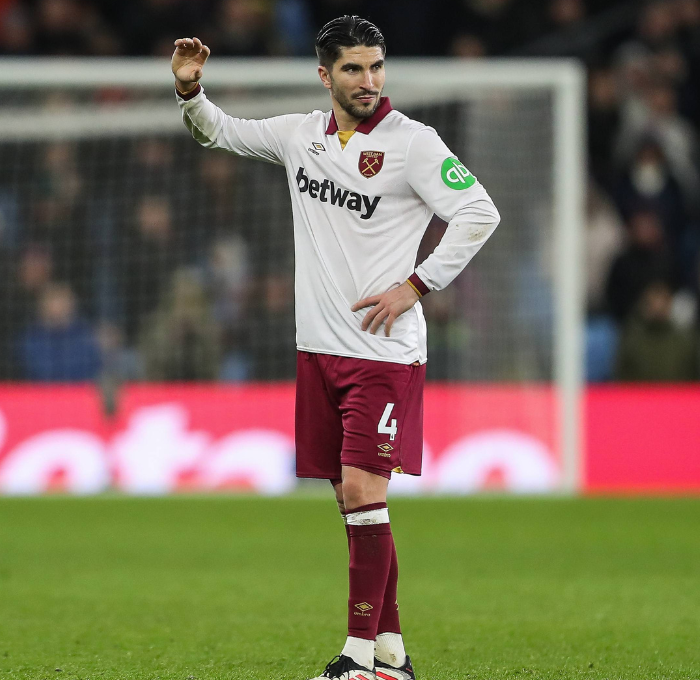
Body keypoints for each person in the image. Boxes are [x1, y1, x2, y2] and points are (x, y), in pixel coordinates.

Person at [173, 16, 502, 680]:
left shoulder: (413, 144)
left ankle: (354, 659)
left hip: (383, 353)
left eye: (376, 66)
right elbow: (221, 132)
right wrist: (189, 92)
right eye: (353, 69)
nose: (368, 80)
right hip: (318, 351)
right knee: (357, 504)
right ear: (325, 75)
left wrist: (417, 284)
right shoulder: (301, 136)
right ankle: (392, 654)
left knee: (361, 491)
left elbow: (479, 213)